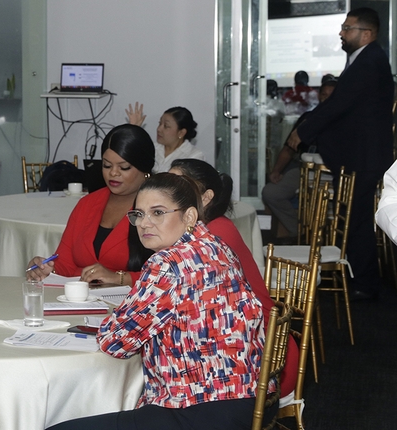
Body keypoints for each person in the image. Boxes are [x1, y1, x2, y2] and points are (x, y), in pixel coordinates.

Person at [47, 173, 265, 430]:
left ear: (189, 216)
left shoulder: (167, 264)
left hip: (198, 408)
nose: (144, 223)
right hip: (247, 397)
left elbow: (115, 342)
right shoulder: (216, 246)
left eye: (158, 213)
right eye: (138, 214)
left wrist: (116, 319)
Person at [287, 7, 394, 301]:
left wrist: (304, 131)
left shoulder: (369, 61)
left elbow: (338, 105)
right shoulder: (364, 59)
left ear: (366, 34)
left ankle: (365, 283)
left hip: (365, 156)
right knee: (355, 218)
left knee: (357, 220)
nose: (341, 33)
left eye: (348, 28)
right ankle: (360, 278)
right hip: (361, 154)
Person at [169, 158, 297, 397]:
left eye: (179, 184)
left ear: (206, 197)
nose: (169, 190)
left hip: (264, 355)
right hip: (239, 343)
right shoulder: (201, 228)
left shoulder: (215, 234)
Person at [27, 124, 154, 286]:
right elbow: (65, 262)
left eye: (124, 167)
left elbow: (170, 276)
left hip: (134, 299)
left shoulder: (159, 209)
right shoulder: (88, 203)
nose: (113, 173)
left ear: (145, 169)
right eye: (107, 165)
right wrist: (48, 269)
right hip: (82, 297)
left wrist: (119, 278)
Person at [262, 75, 337, 240]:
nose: (327, 99)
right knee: (271, 192)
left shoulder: (346, 121)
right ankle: (299, 231)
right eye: (324, 94)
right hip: (304, 169)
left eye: (331, 96)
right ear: (319, 95)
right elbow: (289, 148)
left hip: (334, 172)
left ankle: (329, 236)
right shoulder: (308, 118)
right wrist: (276, 171)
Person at [125, 102, 204, 172]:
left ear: (181, 133)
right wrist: (133, 129)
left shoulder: (194, 156)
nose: (159, 129)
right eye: (160, 123)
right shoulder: (151, 147)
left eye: (166, 126)